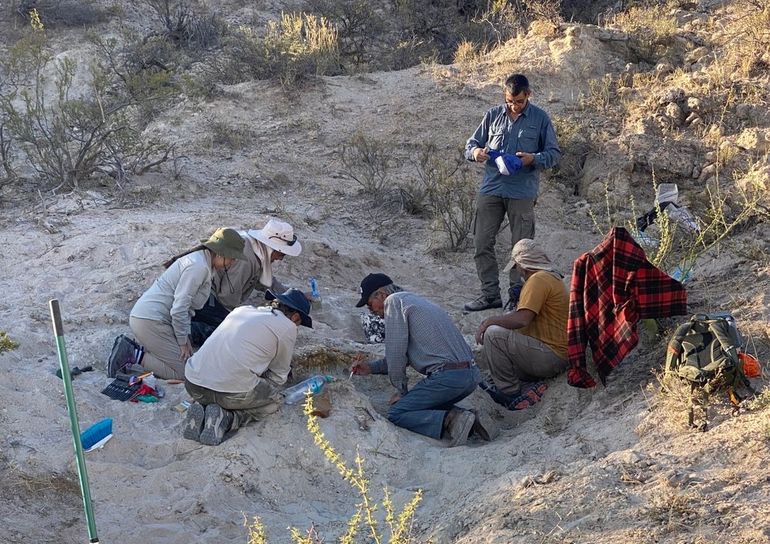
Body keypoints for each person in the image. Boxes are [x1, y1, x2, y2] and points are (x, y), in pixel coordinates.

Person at [351, 273, 496, 447]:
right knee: (420, 406)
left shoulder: (393, 302)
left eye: (369, 304)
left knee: (397, 413)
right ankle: (472, 419)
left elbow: (396, 356)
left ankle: (453, 420)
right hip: (470, 376)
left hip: (448, 377)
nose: (371, 310)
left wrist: (401, 391)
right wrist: (370, 368)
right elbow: (400, 357)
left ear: (381, 294)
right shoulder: (414, 301)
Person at [464, 74, 561, 312]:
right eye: (509, 101)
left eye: (518, 101)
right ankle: (490, 295)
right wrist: (476, 152)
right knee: (481, 242)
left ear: (528, 95)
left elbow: (553, 154)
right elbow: (470, 145)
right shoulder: (493, 115)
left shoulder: (540, 119)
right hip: (492, 188)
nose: (513, 106)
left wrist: (533, 159)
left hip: (522, 192)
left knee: (522, 249)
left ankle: (516, 297)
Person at [183, 288, 312, 446]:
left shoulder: (242, 310)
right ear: (296, 317)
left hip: (193, 384)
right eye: (299, 323)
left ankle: (202, 407)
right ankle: (228, 419)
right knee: (274, 401)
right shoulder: (288, 327)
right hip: (230, 392)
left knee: (225, 384)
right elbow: (278, 377)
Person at [128, 228, 245, 380]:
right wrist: (182, 341)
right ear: (221, 253)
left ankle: (148, 347)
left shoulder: (204, 262)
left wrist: (185, 336)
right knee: (186, 374)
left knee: (189, 359)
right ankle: (131, 354)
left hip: (152, 319)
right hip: (150, 321)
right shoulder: (198, 267)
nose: (234, 262)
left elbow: (186, 308)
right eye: (233, 257)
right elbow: (179, 308)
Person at [475, 239, 568, 409]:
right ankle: (522, 384)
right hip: (555, 354)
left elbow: (522, 319)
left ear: (523, 265)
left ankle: (508, 392)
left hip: (550, 356)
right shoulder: (550, 277)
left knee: (493, 334)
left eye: (516, 266)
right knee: (500, 352)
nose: (517, 270)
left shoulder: (538, 280)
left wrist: (489, 321)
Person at [190, 218, 302, 346]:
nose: (280, 259)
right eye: (281, 255)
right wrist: (232, 320)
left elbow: (263, 280)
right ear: (274, 249)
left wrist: (291, 295)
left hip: (202, 291)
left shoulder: (257, 248)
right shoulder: (248, 259)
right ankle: (186, 332)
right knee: (228, 335)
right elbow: (227, 297)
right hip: (203, 296)